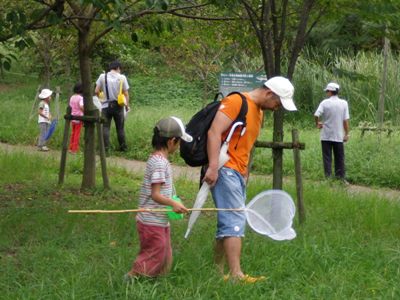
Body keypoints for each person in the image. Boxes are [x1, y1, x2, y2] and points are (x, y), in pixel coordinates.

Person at [203, 76, 297, 283]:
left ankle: (217, 271)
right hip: (224, 168)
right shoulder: (237, 102)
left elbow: (245, 144)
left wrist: (245, 171)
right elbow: (214, 132)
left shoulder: (260, 112)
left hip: (237, 172)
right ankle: (236, 275)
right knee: (235, 221)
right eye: (278, 103)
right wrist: (212, 167)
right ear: (269, 93)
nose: (277, 108)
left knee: (227, 221)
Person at [125, 116, 192, 279]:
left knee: (165, 252)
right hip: (151, 219)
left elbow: (164, 190)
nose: (179, 145)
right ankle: (132, 277)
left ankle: (161, 280)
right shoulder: (159, 163)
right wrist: (171, 203)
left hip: (159, 218)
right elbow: (155, 194)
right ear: (171, 142)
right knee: (154, 252)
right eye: (179, 142)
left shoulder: (158, 159)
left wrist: (174, 200)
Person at [314, 82, 350, 181]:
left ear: (330, 91)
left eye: (327, 91)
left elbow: (316, 115)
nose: (327, 93)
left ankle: (328, 178)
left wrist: (318, 124)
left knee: (327, 158)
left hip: (326, 135)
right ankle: (341, 178)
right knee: (340, 158)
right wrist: (347, 134)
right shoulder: (344, 103)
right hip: (338, 136)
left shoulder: (324, 103)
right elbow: (345, 120)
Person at [95, 60, 130, 152]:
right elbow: (126, 94)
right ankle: (123, 148)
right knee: (120, 128)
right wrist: (127, 106)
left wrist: (101, 98)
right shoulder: (122, 77)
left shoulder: (102, 76)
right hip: (118, 106)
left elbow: (96, 91)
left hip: (105, 106)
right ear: (118, 68)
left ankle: (105, 149)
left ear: (110, 68)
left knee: (105, 127)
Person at [68, 83, 84, 154]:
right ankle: (74, 149)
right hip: (79, 118)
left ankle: (71, 148)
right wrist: (85, 111)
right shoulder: (80, 98)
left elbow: (70, 106)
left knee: (73, 133)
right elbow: (81, 106)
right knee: (77, 134)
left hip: (72, 117)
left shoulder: (72, 97)